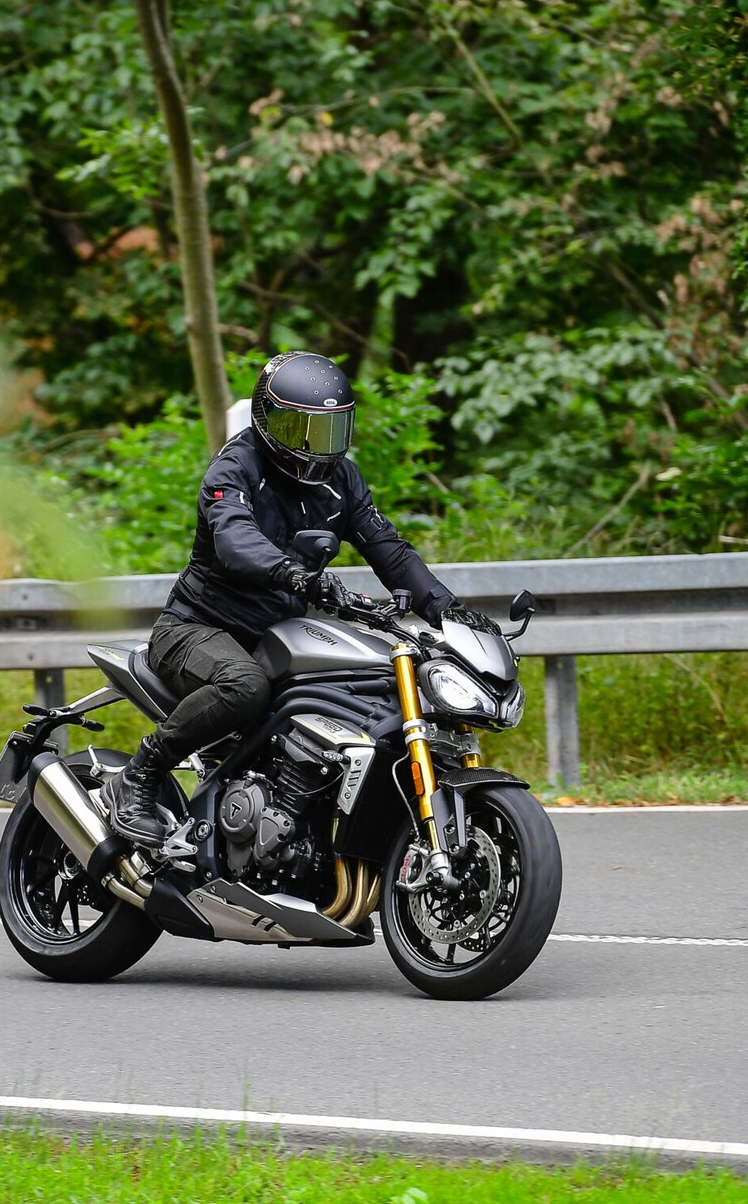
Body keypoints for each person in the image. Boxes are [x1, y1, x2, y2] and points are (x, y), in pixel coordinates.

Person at [106, 350, 495, 846]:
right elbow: (234, 540)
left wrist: (449, 611)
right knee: (244, 686)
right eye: (299, 429)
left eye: (328, 430)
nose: (314, 447)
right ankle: (139, 777)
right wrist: (296, 575)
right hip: (198, 628)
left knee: (368, 694)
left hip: (280, 636)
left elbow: (390, 551)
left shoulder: (343, 481)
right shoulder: (235, 467)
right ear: (266, 418)